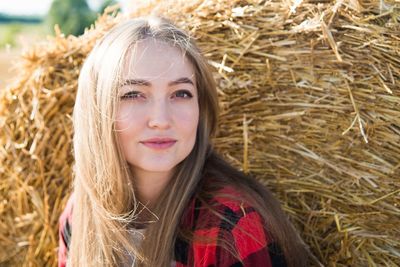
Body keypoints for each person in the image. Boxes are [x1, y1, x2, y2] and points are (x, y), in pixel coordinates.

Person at [58, 16, 310, 267]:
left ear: (200, 106)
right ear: (97, 109)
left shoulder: (230, 227)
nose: (161, 119)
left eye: (181, 93)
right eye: (133, 94)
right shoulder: (80, 216)